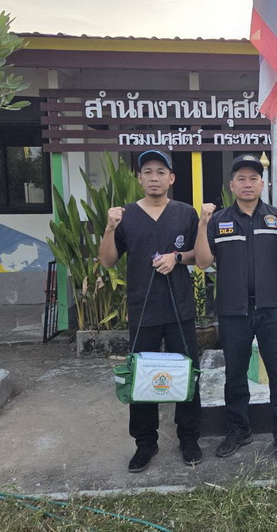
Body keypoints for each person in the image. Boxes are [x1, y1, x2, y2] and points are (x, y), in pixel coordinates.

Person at [99, 149, 202, 472]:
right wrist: (109, 228)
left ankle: (189, 438)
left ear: (171, 178)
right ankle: (145, 443)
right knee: (141, 379)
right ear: (139, 178)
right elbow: (108, 261)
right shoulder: (126, 215)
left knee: (188, 374)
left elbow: (199, 255)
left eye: (160, 172)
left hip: (179, 308)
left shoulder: (185, 213)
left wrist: (176, 257)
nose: (154, 178)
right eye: (148, 172)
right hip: (142, 308)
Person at [194, 154, 277, 462]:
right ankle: (239, 430)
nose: (247, 184)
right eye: (241, 178)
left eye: (253, 178)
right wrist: (202, 223)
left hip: (273, 310)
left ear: (262, 184)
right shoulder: (219, 220)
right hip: (233, 311)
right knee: (235, 375)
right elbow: (203, 262)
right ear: (232, 185)